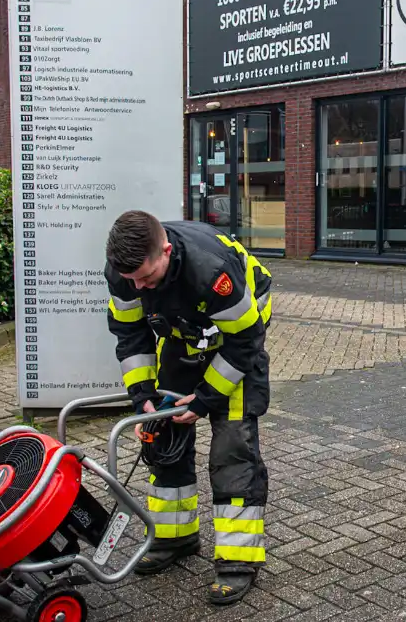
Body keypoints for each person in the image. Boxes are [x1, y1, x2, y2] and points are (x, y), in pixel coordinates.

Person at [103, 210, 273, 605]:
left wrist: (205, 400)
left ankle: (237, 561)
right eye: (132, 281)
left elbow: (245, 341)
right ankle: (176, 538)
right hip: (184, 334)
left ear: (165, 250)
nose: (139, 287)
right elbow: (130, 333)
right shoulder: (124, 272)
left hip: (238, 332)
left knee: (232, 450)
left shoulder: (211, 270)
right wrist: (142, 394)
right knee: (164, 437)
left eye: (146, 278)